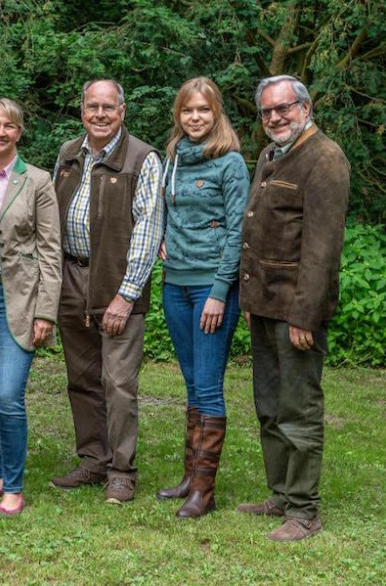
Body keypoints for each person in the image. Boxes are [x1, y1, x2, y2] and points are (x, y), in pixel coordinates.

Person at [236, 75, 349, 541]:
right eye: (266, 112)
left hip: (295, 314)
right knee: (269, 405)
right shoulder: (269, 155)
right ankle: (281, 494)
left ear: (305, 107)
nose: (274, 118)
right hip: (264, 304)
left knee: (298, 409)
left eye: (283, 108)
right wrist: (249, 298)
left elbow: (323, 247)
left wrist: (305, 313)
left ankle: (304, 511)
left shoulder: (325, 158)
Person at [50, 79, 163, 504]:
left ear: (122, 110)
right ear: (82, 109)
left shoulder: (141, 158)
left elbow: (149, 230)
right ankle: (93, 459)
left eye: (108, 107)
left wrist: (127, 293)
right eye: (92, 106)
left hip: (116, 283)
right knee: (81, 378)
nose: (99, 114)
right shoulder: (67, 153)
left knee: (117, 382)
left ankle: (121, 470)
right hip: (70, 279)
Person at [0, 98, 62, 516]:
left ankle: (15, 487)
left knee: (7, 394)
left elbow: (51, 250)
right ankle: (1, 472)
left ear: (19, 132)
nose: (0, 131)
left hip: (17, 298)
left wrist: (45, 312)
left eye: (9, 125)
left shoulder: (37, 181)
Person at [154, 77, 249, 518]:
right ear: (179, 115)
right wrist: (161, 239)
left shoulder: (229, 163)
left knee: (209, 388)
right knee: (192, 386)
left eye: (204, 111)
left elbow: (238, 233)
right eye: (188, 111)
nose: (195, 118)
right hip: (175, 284)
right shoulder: (173, 158)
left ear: (217, 114)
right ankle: (191, 478)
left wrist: (218, 292)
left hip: (212, 289)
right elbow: (165, 210)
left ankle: (204, 493)